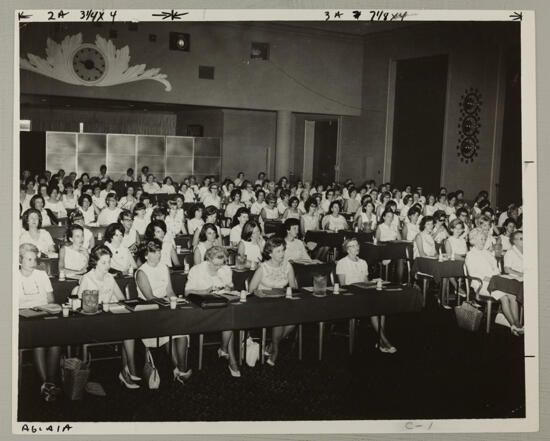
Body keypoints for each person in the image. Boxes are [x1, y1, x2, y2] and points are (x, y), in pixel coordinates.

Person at [77, 245, 140, 388]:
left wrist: (115, 305)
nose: (107, 266)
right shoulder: (87, 279)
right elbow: (80, 307)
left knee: (129, 330)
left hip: (109, 320)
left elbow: (122, 300)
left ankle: (128, 371)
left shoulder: (109, 278)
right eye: (103, 262)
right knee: (127, 331)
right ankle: (131, 370)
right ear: (95, 262)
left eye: (109, 262)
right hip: (92, 323)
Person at [136, 239, 191, 383]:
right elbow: (150, 298)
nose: (158, 254)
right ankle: (179, 370)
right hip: (150, 310)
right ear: (146, 255)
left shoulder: (164, 267)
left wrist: (176, 302)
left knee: (182, 330)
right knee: (169, 331)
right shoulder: (141, 272)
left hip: (165, 307)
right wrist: (168, 304)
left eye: (159, 251)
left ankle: (181, 370)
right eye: (154, 252)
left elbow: (170, 291)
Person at [185, 246, 241, 377]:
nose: (218, 268)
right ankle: (228, 356)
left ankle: (225, 350)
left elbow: (230, 287)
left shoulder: (226, 269)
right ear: (208, 259)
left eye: (220, 265)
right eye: (215, 265)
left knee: (230, 317)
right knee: (229, 320)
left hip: (222, 305)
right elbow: (186, 292)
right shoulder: (197, 270)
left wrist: (229, 287)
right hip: (202, 309)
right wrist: (205, 291)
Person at [18, 243, 62, 401]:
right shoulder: (14, 277)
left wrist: (44, 308)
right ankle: (45, 383)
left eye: (34, 259)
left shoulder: (41, 275)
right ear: (20, 260)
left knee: (56, 342)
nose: (32, 262)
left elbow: (51, 300)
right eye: (28, 259)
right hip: (23, 320)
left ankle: (49, 382)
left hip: (44, 314)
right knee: (39, 341)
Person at [336, 238, 396, 353]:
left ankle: (381, 342)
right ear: (347, 249)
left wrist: (374, 281)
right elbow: (343, 286)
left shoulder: (363, 262)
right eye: (352, 246)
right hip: (350, 296)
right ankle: (384, 342)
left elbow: (365, 282)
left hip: (363, 293)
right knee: (374, 309)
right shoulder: (342, 263)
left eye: (357, 245)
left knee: (382, 308)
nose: (356, 248)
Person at [248, 237, 298, 366]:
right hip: (264, 304)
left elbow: (293, 287)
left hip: (282, 302)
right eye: (278, 251)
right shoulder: (263, 268)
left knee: (293, 322)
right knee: (280, 317)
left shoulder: (288, 266)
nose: (282, 254)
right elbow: (251, 289)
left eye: (283, 250)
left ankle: (271, 346)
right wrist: (260, 293)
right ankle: (275, 350)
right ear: (270, 253)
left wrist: (288, 290)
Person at [465, 229, 523, 336]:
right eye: (481, 239)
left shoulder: (487, 253)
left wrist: (498, 277)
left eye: (484, 239)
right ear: (473, 240)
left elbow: (496, 269)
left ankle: (518, 323)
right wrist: (493, 279)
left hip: (495, 282)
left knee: (513, 295)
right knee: (504, 297)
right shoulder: (470, 255)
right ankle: (513, 326)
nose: (483, 241)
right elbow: (473, 274)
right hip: (481, 284)